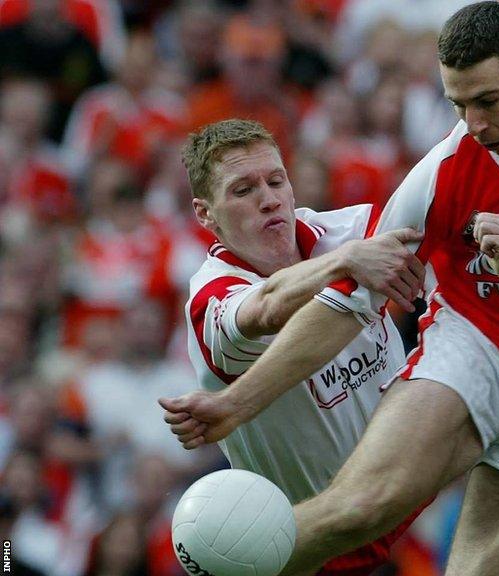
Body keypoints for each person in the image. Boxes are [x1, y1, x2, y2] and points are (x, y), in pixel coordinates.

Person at [160, 3, 499, 575]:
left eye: (487, 101)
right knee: (359, 508)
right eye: (457, 105)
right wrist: (235, 403)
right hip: (474, 346)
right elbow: (340, 305)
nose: (473, 125)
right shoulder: (444, 171)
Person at [163, 118, 427, 575]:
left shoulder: (349, 229)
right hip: (322, 551)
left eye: (275, 180)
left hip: (416, 499)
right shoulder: (209, 300)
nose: (269, 199)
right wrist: (346, 263)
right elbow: (265, 307)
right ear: (206, 214)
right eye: (242, 190)